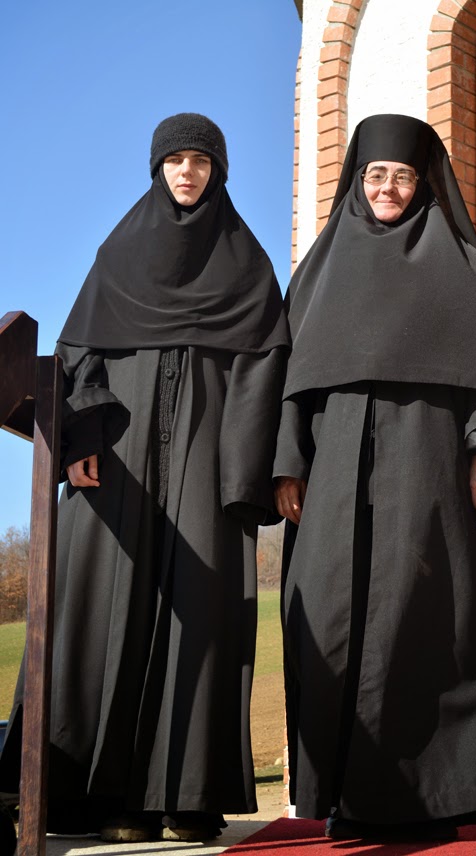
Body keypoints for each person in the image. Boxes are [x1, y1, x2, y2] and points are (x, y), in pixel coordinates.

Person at [0, 112, 289, 843]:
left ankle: (183, 799)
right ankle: (97, 799)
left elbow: (265, 370)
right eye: (175, 160)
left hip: (206, 463)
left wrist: (242, 471)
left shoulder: (248, 266)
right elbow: (79, 354)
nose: (187, 172)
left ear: (219, 172)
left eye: (201, 161)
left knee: (202, 618)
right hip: (115, 463)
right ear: (157, 169)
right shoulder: (118, 255)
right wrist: (79, 442)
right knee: (101, 612)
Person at [274, 114, 476, 843]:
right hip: (333, 474)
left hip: (427, 468)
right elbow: (289, 383)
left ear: (423, 183)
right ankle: (345, 794)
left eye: (402, 176)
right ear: (356, 180)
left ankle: (450, 794)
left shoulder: (458, 265)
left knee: (431, 619)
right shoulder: (319, 272)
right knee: (329, 621)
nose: (388, 188)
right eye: (375, 175)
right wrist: (287, 466)